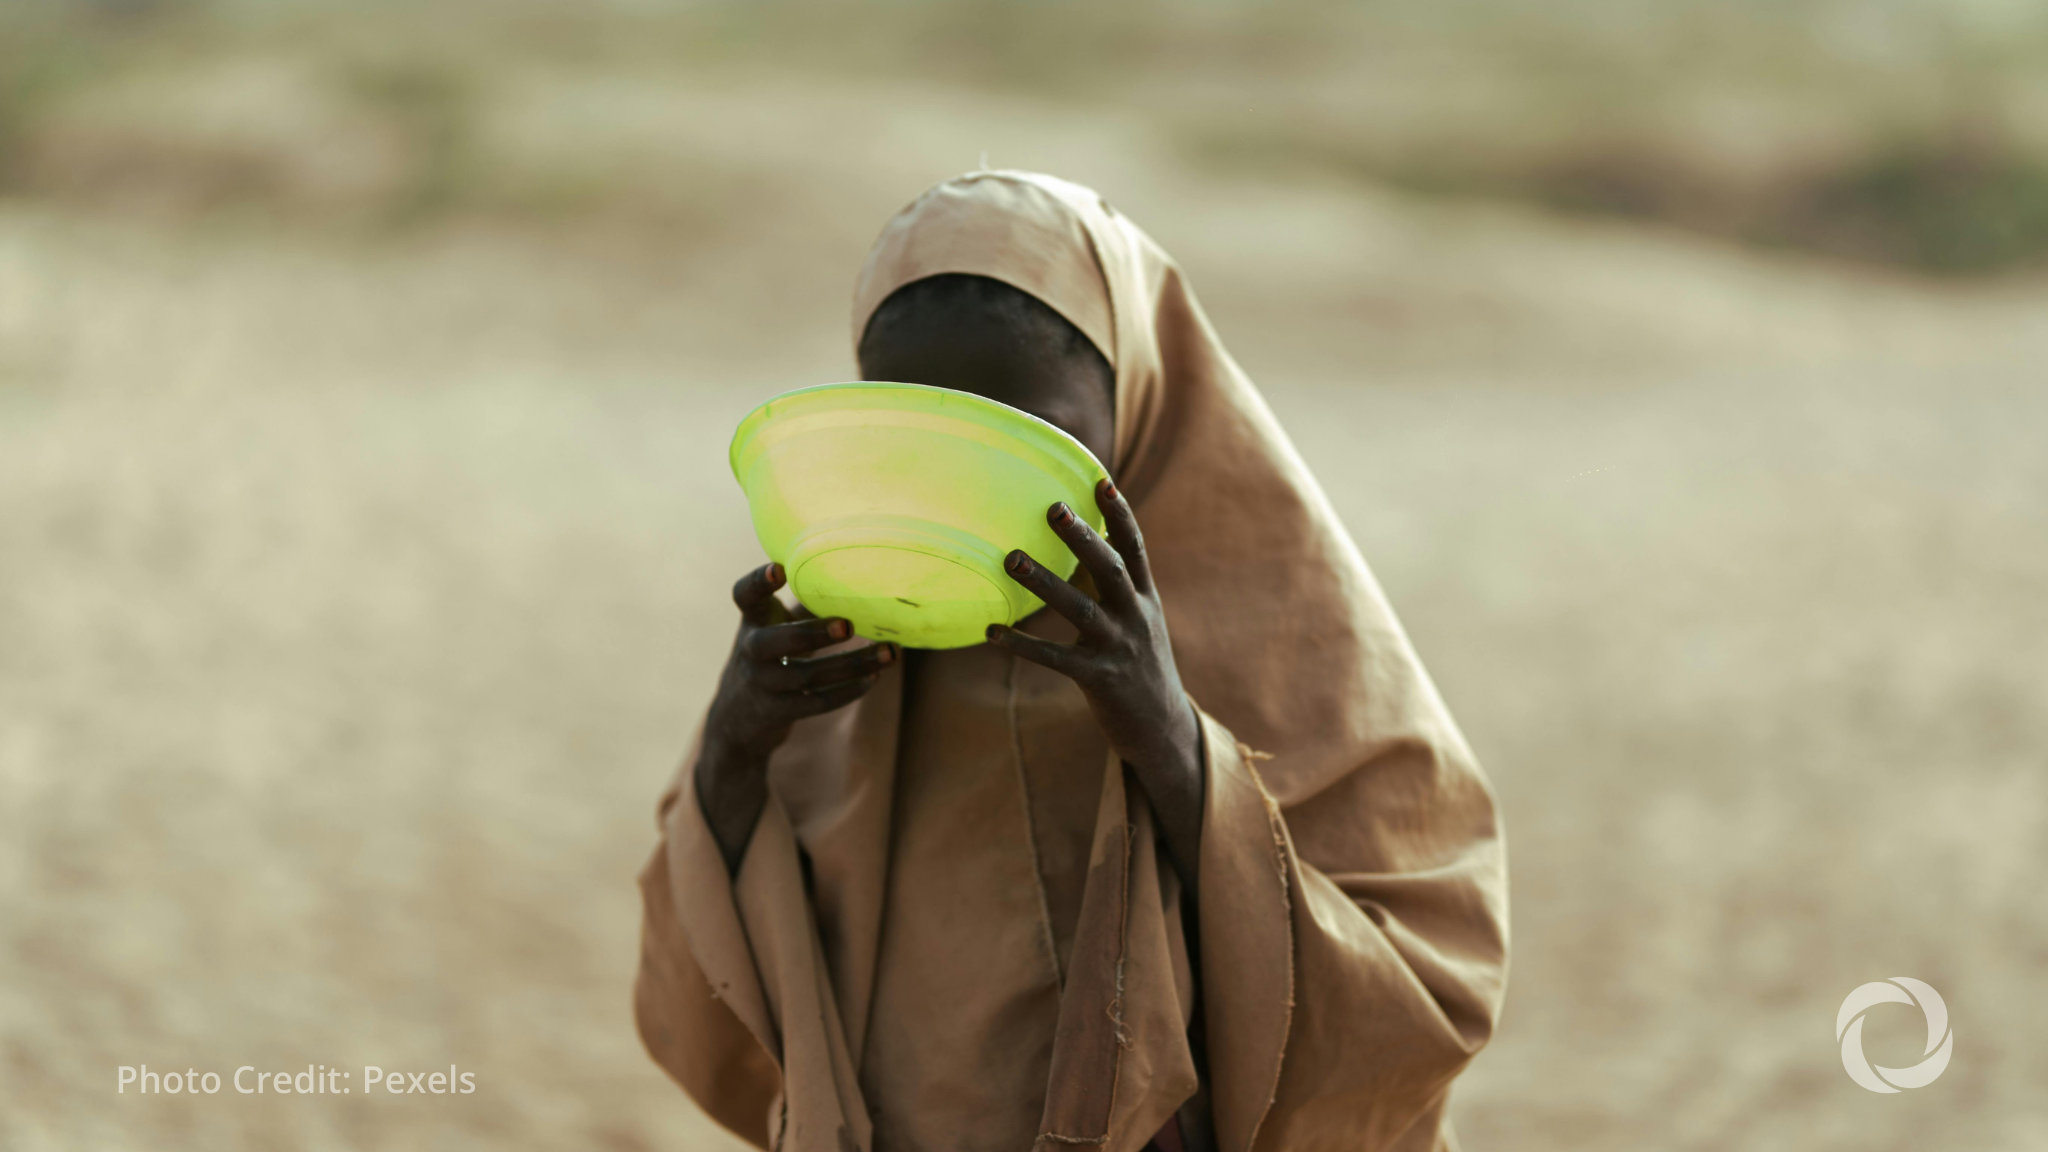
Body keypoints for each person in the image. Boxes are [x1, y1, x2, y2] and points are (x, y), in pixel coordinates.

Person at [634, 171, 1509, 1152]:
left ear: (1137, 398)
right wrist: (735, 746)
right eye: (925, 438)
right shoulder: (842, 642)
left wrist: (1172, 744)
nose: (969, 491)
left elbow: (1423, 988)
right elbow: (712, 1008)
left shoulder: (1287, 624)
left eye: (1026, 445)